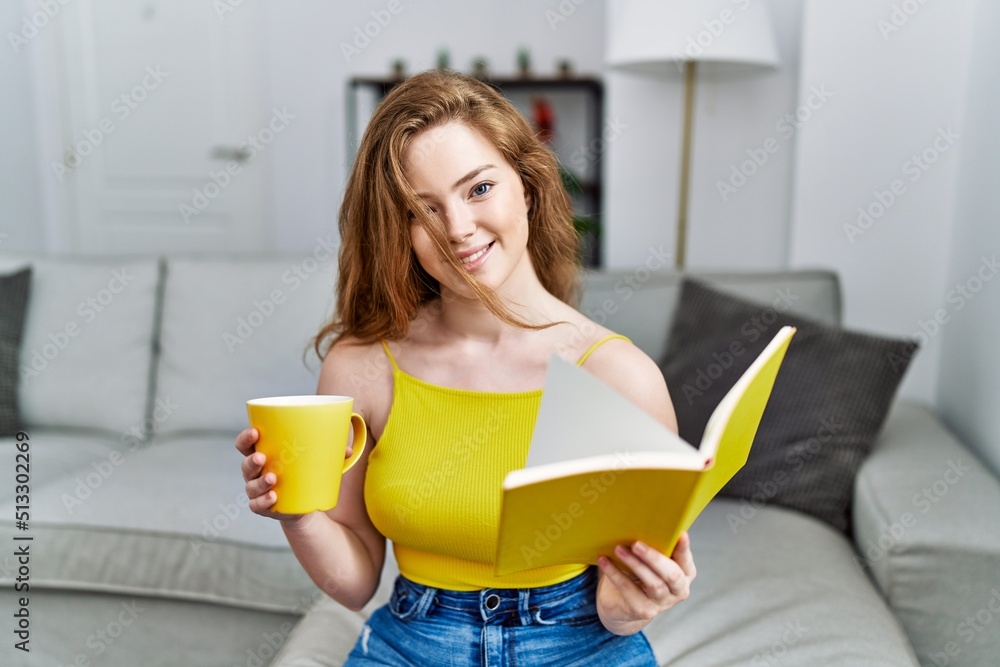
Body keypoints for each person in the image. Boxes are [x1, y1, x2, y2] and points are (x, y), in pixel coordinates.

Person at [235, 69, 696, 665]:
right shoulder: (361, 368)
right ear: (399, 233)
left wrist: (639, 602)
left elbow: (615, 605)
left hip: (578, 643)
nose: (456, 229)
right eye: (422, 211)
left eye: (478, 189)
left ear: (526, 186)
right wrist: (295, 515)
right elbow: (354, 580)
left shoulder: (620, 377)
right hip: (412, 640)